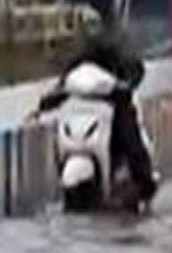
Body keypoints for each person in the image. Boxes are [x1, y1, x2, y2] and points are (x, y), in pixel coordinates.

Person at [32, 26, 156, 206]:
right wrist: (44, 106)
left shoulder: (118, 60)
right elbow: (60, 86)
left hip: (112, 113)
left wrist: (125, 87)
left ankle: (143, 181)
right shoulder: (79, 65)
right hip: (83, 118)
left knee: (130, 137)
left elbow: (136, 72)